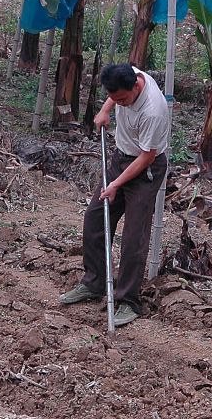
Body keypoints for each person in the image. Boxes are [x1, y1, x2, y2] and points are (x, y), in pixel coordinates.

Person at [58, 63, 170, 327]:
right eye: (114, 98)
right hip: (121, 159)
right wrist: (105, 109)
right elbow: (113, 96)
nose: (119, 102)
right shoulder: (126, 73)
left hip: (146, 170)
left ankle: (128, 300)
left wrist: (116, 184)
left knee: (133, 236)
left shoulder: (154, 110)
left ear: (136, 87)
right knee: (95, 219)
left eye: (122, 99)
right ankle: (94, 283)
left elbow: (147, 157)